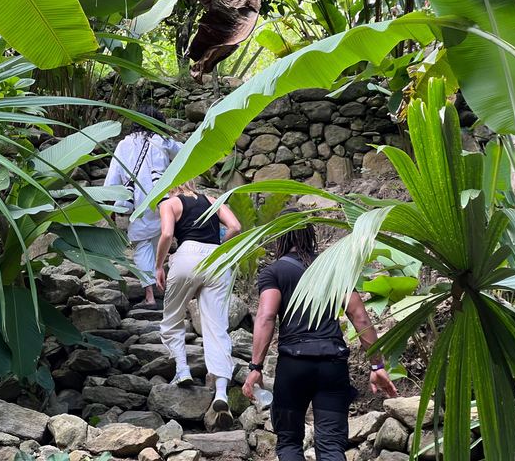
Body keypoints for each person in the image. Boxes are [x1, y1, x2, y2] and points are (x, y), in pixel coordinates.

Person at [242, 209, 399, 460]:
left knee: (289, 442)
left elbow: (266, 317)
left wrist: (255, 367)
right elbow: (359, 316)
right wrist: (377, 364)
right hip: (332, 364)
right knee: (331, 445)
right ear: (310, 235)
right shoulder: (335, 269)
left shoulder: (274, 272)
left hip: (294, 364)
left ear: (280, 236)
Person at [154, 179, 242, 428]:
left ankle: (182, 369)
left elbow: (167, 234)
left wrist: (159, 265)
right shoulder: (212, 200)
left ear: (171, 186)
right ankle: (221, 391)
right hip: (217, 259)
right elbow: (235, 226)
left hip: (187, 255)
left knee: (172, 317)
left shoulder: (169, 203)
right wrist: (219, 249)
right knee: (217, 327)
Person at [104, 106, 183, 310]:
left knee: (141, 246)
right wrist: (168, 131)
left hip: (136, 201)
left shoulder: (124, 144)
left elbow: (113, 177)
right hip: (161, 198)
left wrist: (111, 206)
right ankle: (162, 286)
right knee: (159, 240)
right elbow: (185, 153)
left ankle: (149, 295)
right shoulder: (163, 140)